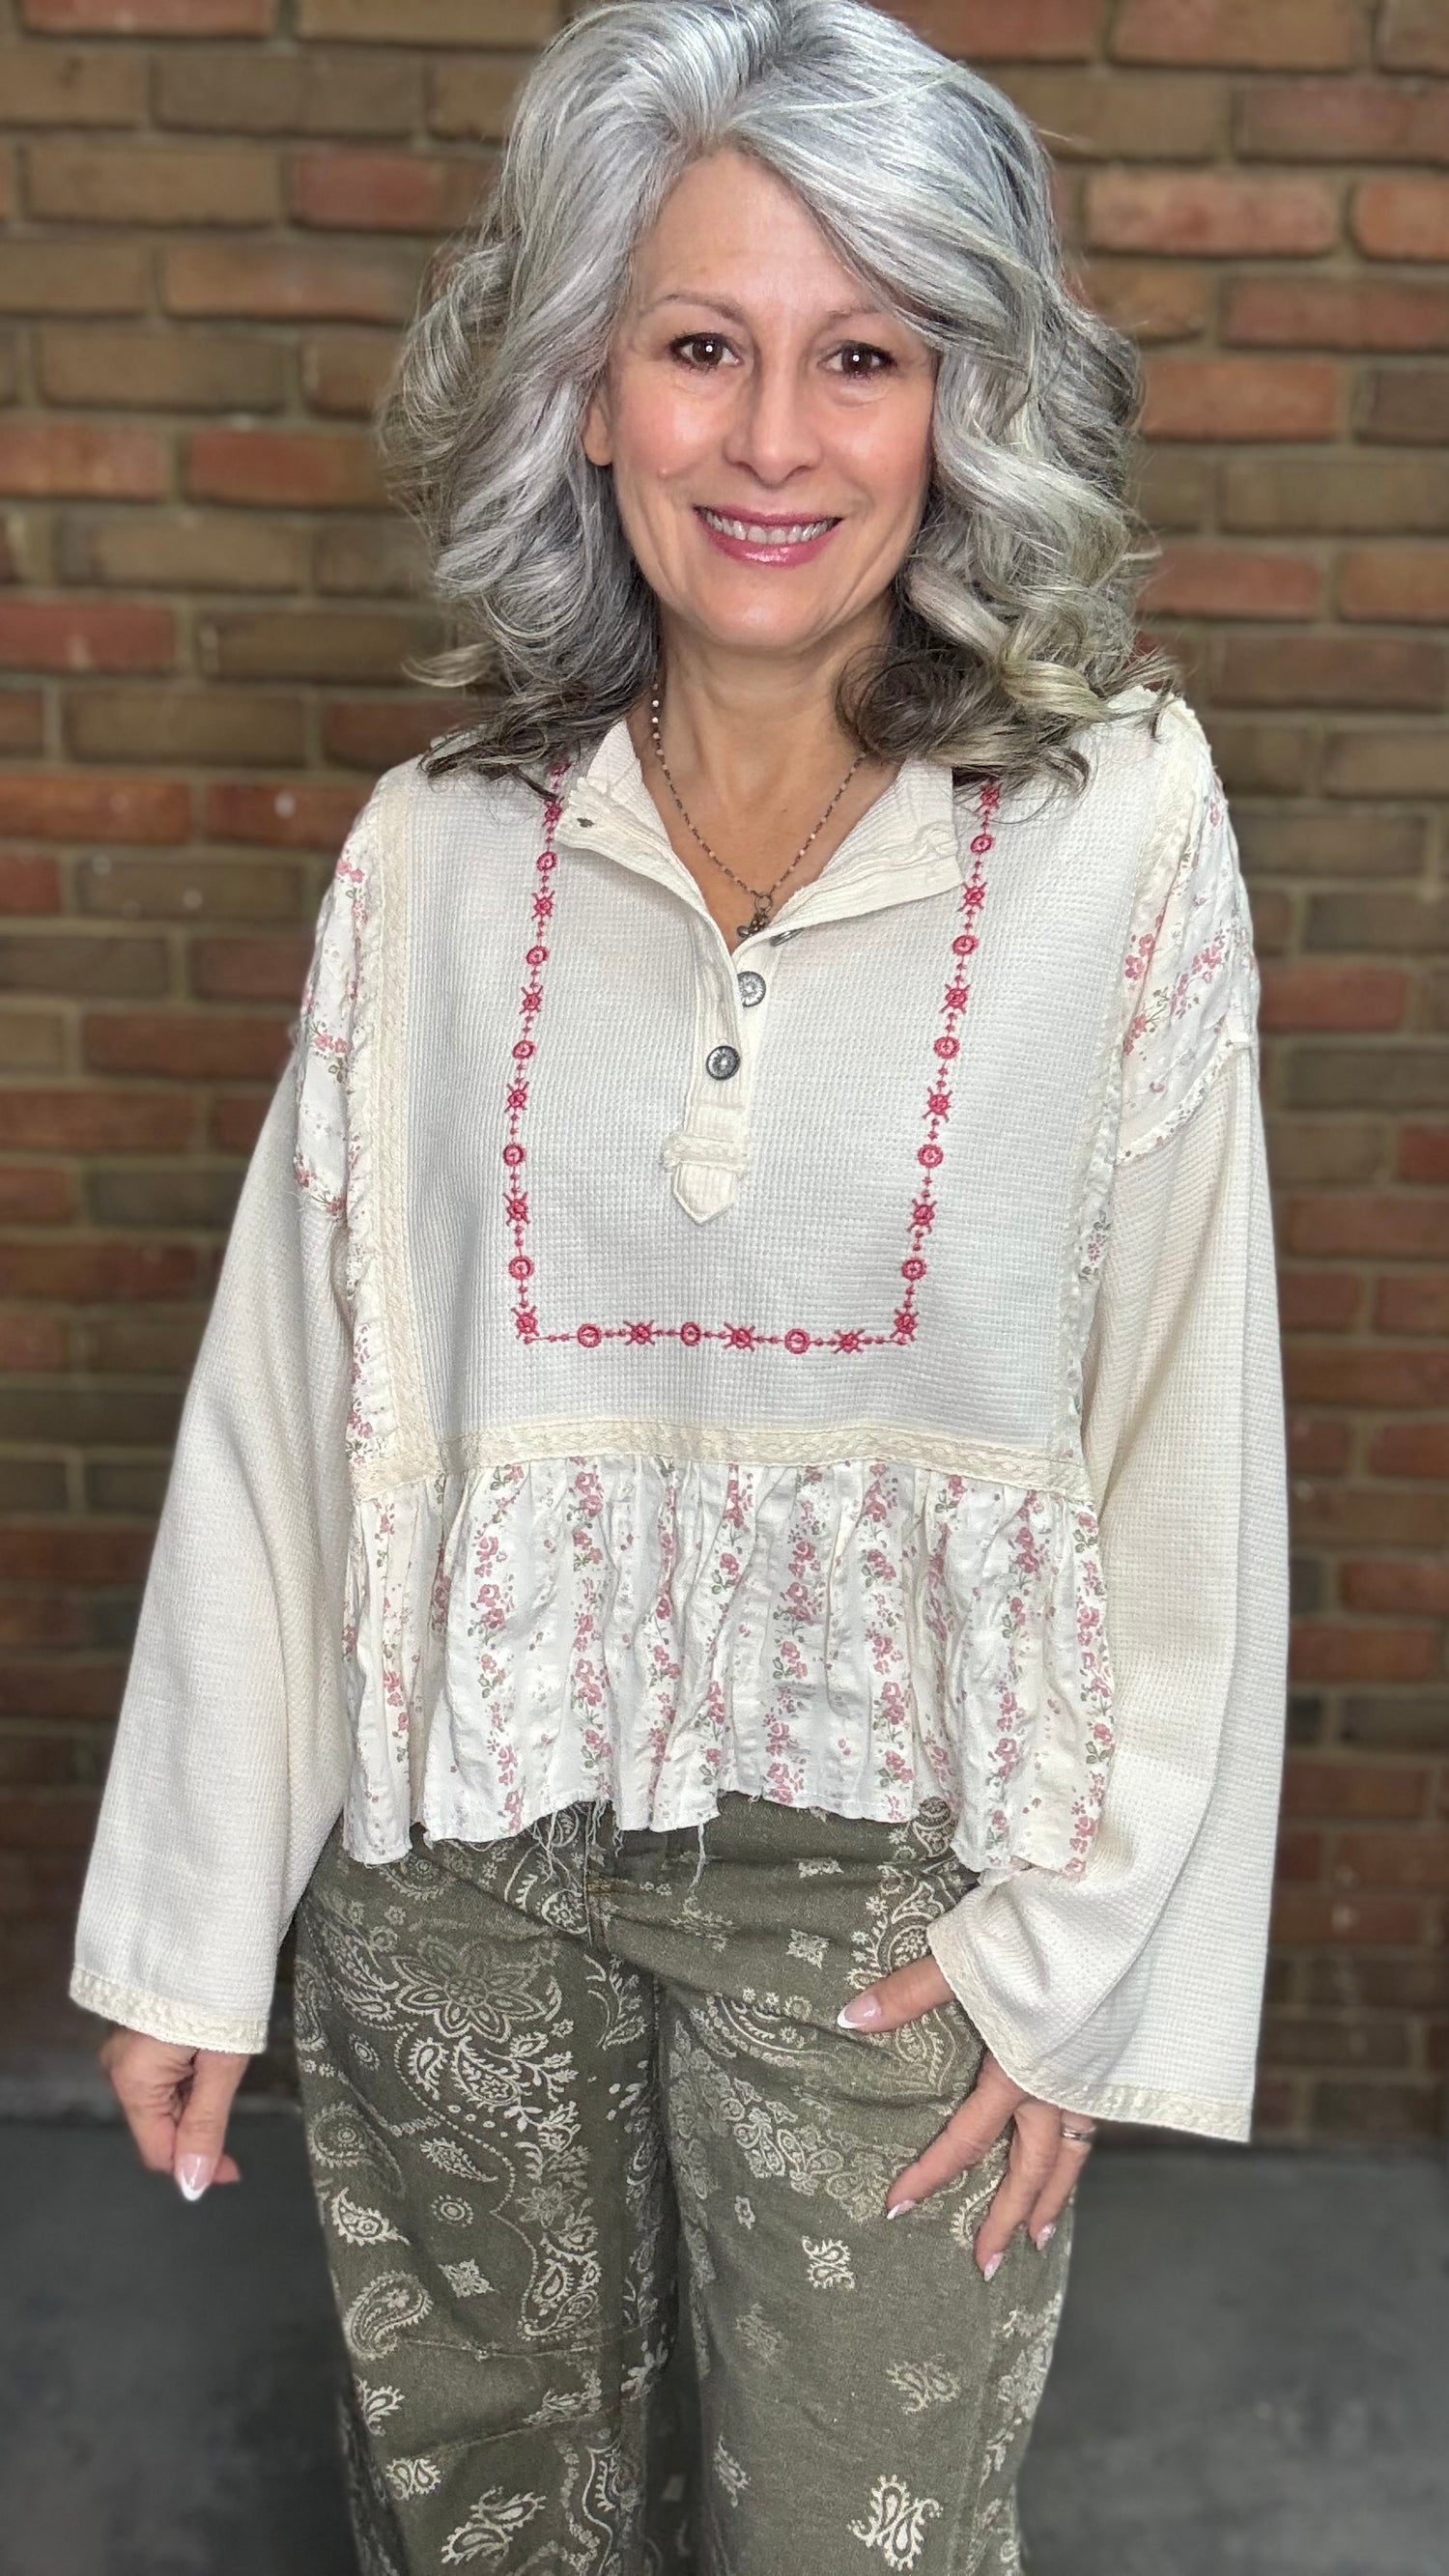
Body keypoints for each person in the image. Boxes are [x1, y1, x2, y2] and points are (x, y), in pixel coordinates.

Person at [68, 0, 1291, 2566]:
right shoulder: (438, 855)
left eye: (864, 358)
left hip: (890, 1918)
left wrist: (1070, 1960)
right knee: (485, 2536)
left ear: (963, 403)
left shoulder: (1114, 836)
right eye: (703, 345)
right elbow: (300, 1416)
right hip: (456, 1875)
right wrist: (187, 1920)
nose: (770, 440)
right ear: (587, 391)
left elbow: (1187, 1432)